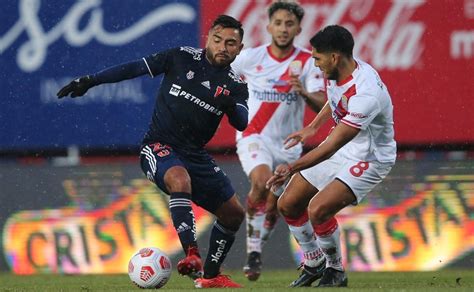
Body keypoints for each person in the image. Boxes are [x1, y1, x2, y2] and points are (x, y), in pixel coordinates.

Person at [57, 15, 249, 289]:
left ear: (239, 49)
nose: (223, 47)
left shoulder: (236, 85)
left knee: (234, 214)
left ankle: (210, 277)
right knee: (179, 179)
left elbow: (242, 121)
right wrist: (91, 80)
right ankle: (191, 253)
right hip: (159, 145)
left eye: (231, 43)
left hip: (195, 154)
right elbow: (134, 68)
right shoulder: (181, 57)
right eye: (218, 40)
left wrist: (230, 104)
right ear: (208, 38)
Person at [266, 24, 396, 287]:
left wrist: (291, 167)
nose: (315, 64)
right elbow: (336, 99)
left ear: (334, 56)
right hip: (345, 147)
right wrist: (312, 127)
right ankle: (314, 263)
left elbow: (331, 147)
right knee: (288, 203)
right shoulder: (338, 70)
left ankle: (335, 270)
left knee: (319, 209)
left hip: (369, 158)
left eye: (317, 58)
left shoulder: (366, 92)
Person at [230, 0, 326, 282]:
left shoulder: (309, 61)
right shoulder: (251, 58)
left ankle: (260, 239)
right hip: (253, 135)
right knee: (260, 183)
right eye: (279, 23)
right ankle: (253, 252)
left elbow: (324, 104)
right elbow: (222, 76)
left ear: (298, 28)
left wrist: (304, 93)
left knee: (273, 206)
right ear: (268, 26)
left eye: (289, 24)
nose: (283, 29)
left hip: (288, 145)